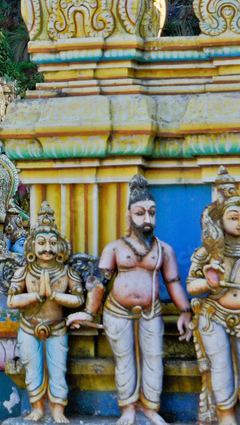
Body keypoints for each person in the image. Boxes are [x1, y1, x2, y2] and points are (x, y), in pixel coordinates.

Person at [67, 175, 192, 425]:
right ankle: (128, 408)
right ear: (128, 217)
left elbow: (173, 282)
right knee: (124, 361)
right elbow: (98, 282)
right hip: (118, 311)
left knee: (154, 358)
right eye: (140, 213)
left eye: (152, 213)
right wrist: (88, 312)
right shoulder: (115, 248)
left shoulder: (163, 249)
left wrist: (185, 311)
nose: (147, 220)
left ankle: (150, 408)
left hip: (150, 312)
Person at [187, 167, 240, 425]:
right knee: (220, 367)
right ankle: (226, 417)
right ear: (219, 221)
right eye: (233, 217)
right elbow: (191, 286)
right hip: (213, 315)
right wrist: (208, 282)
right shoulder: (207, 253)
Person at [7, 202, 84, 424]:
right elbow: (11, 300)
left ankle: (58, 409)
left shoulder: (67, 272)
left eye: (52, 243)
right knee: (33, 369)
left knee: (58, 369)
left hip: (57, 327)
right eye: (41, 243)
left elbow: (79, 299)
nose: (47, 248)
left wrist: (55, 296)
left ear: (61, 246)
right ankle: (38, 408)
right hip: (29, 327)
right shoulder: (24, 272)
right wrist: (36, 296)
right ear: (32, 246)